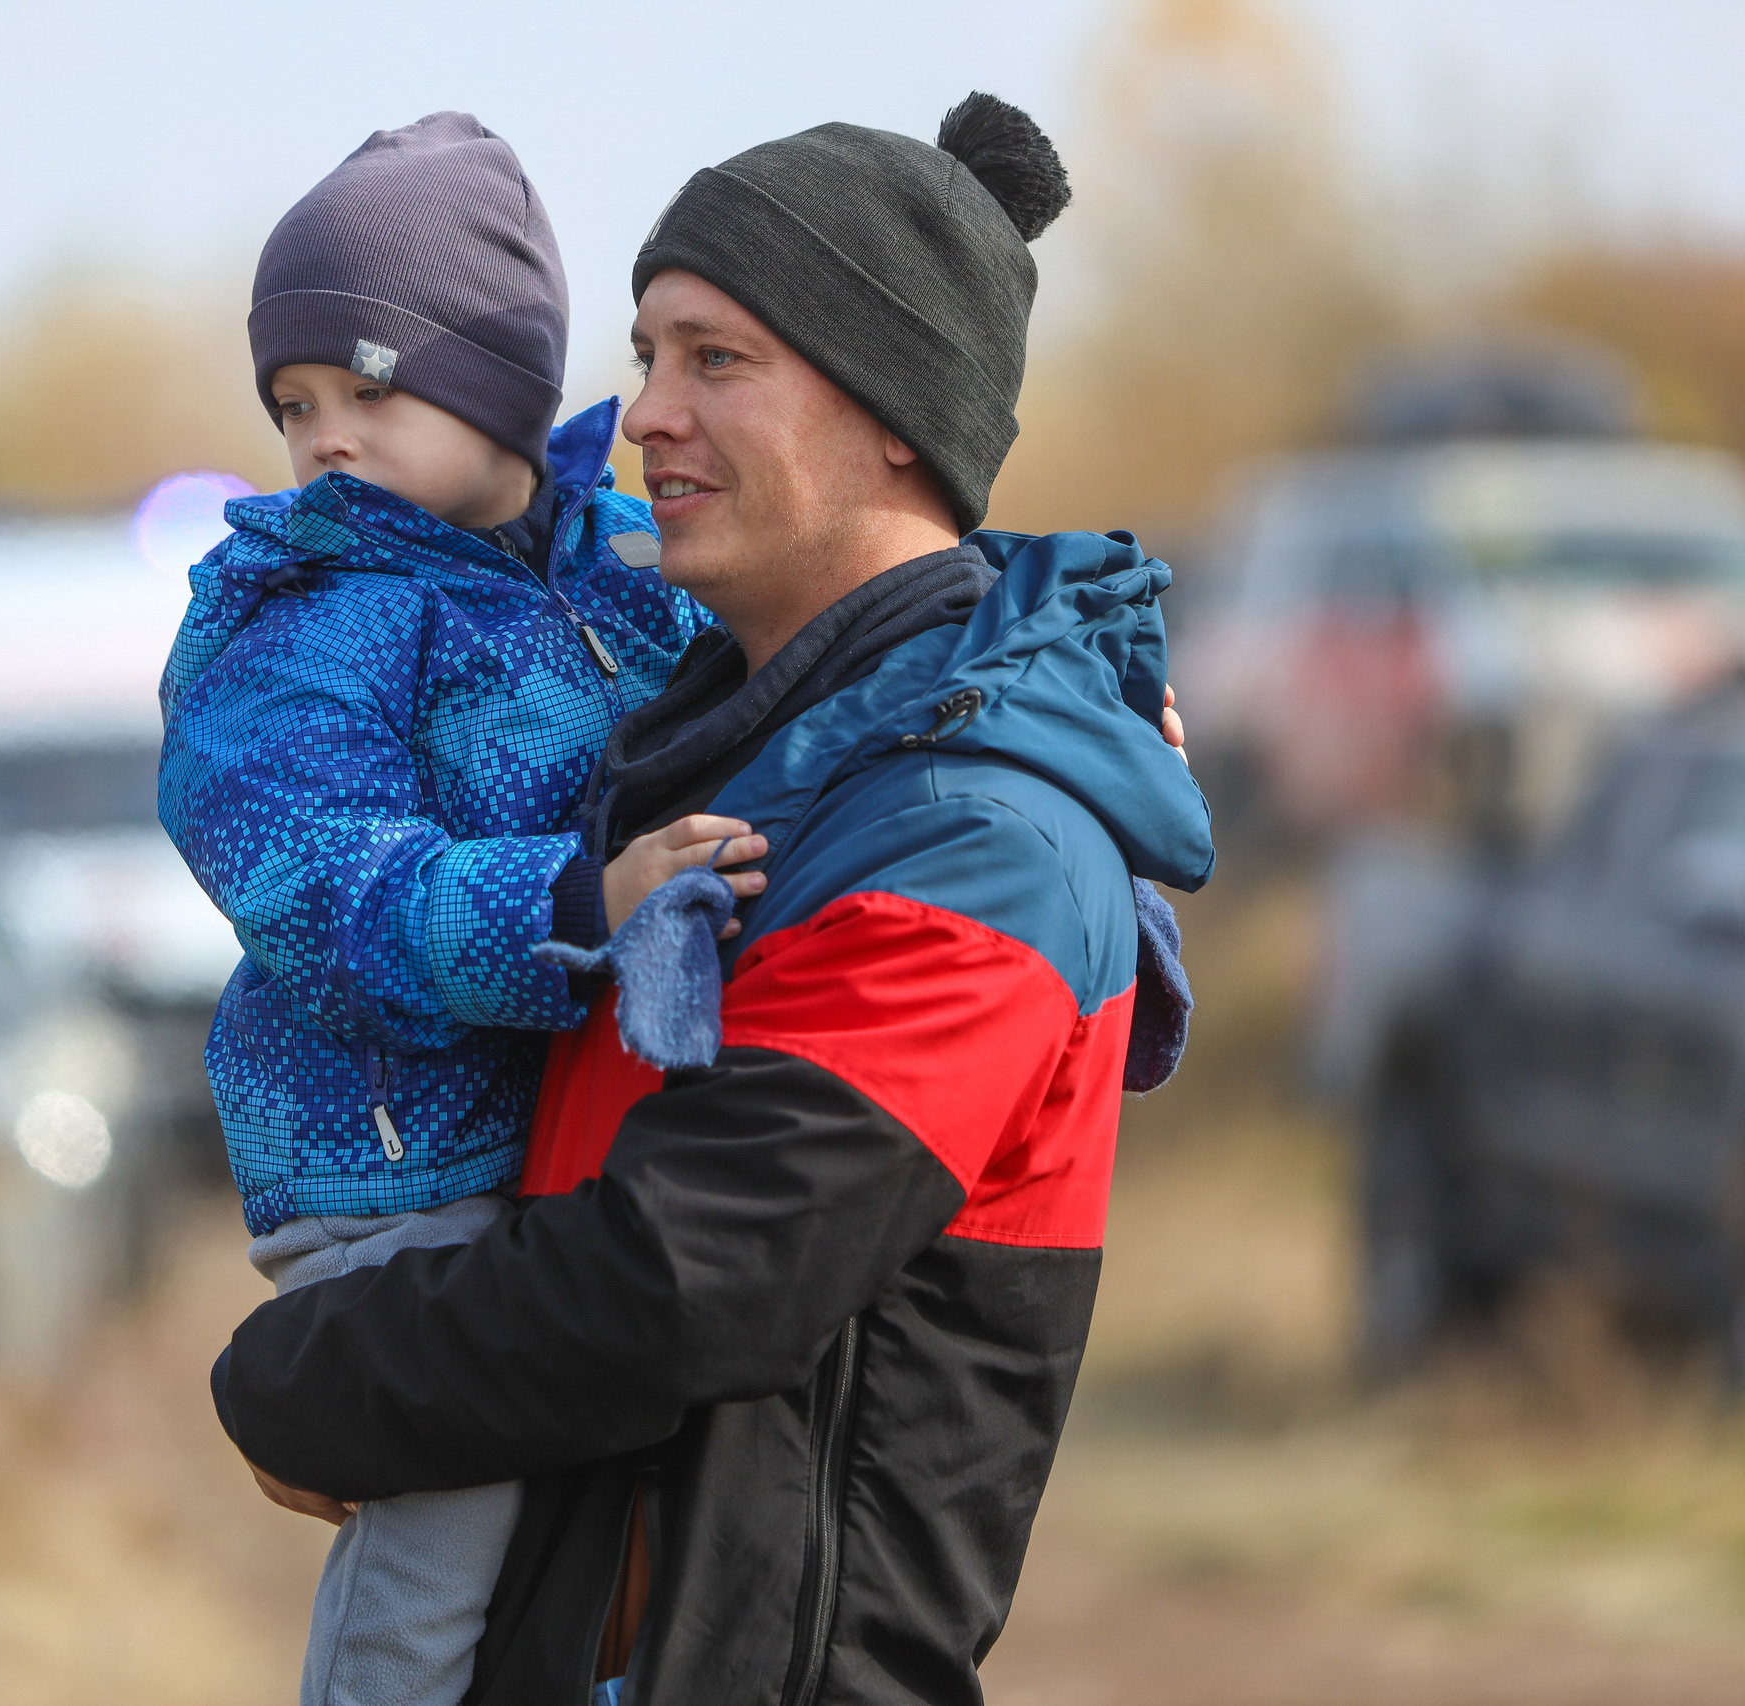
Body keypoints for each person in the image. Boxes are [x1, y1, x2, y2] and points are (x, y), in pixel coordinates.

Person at [210, 97, 1217, 1704]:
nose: (643, 413)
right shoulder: (732, 753)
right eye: (643, 351)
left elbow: (679, 1285)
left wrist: (293, 1378)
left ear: (896, 412)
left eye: (714, 359)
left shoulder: (976, 836)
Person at [156, 112, 767, 1706]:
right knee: (448, 1528)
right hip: (389, 1157)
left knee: (614, 1529)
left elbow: (810, 648)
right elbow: (319, 871)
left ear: (496, 384)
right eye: (294, 404)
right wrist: (575, 900)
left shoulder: (631, 564)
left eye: (369, 387)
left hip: (561, 1141)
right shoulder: (306, 618)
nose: (325, 438)